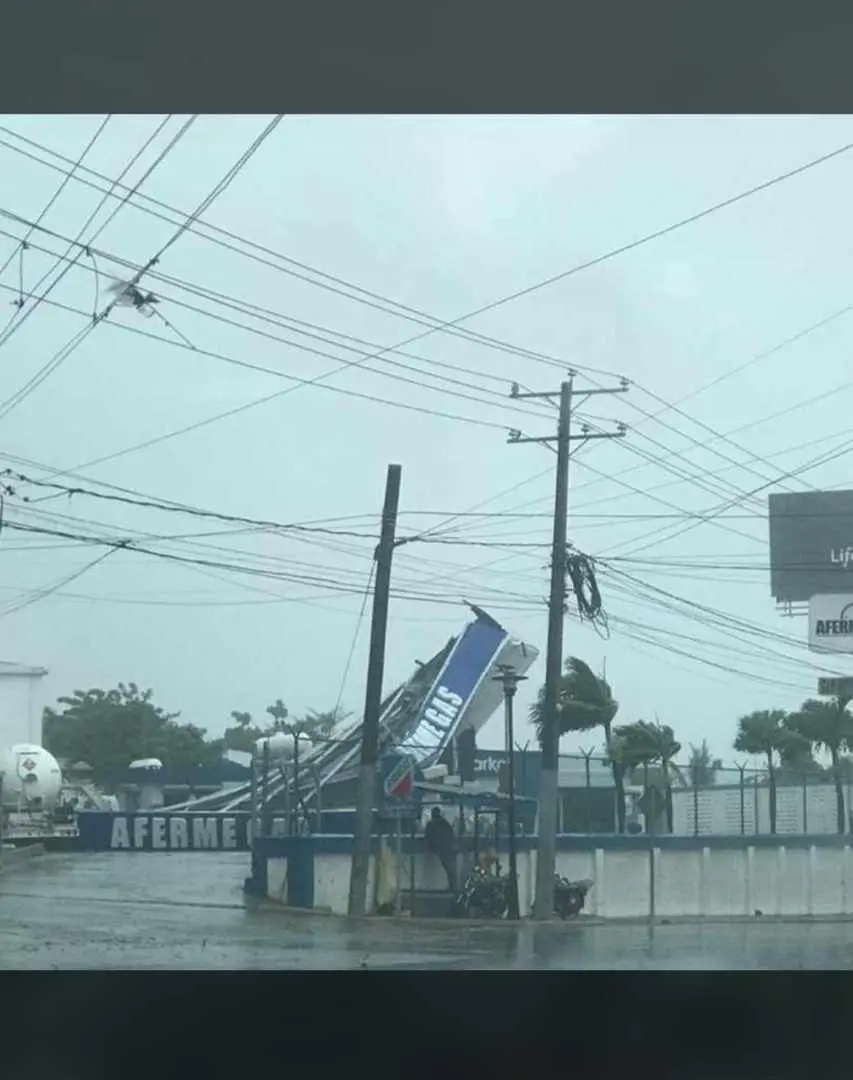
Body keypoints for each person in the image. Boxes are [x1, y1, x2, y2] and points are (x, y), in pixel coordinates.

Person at [425, 806, 457, 891]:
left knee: (447, 867)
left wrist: (431, 848)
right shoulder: (444, 822)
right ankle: (453, 885)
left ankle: (452, 885)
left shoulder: (430, 823)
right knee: (450, 867)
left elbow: (428, 837)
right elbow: (451, 833)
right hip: (447, 848)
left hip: (441, 848)